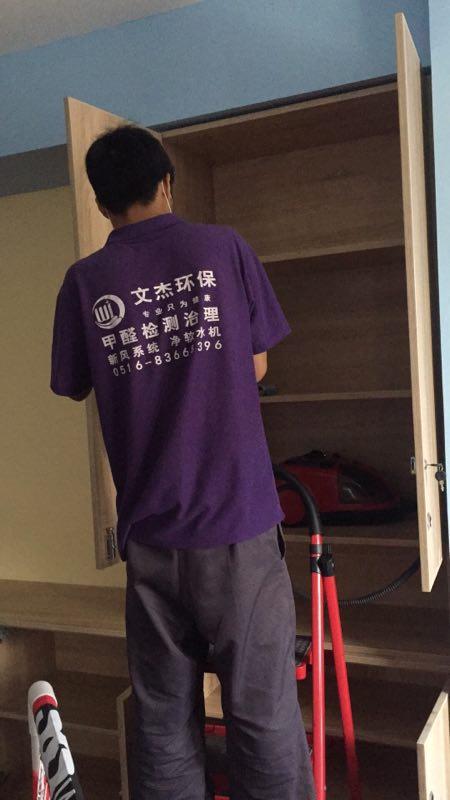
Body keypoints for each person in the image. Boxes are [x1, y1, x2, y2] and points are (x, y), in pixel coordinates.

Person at [50, 124, 315, 800]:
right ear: (167, 182)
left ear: (102, 201)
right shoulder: (222, 248)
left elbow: (75, 383)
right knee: (262, 714)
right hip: (237, 531)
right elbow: (256, 365)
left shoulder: (85, 282)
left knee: (163, 721)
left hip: (150, 540)